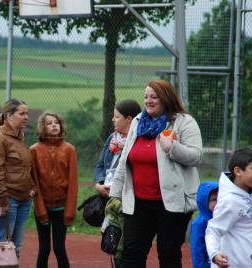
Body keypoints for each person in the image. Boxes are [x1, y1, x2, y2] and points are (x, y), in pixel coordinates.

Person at [109, 80, 203, 268]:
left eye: (154, 97)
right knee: (131, 256)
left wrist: (172, 147)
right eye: (146, 97)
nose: (149, 101)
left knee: (168, 255)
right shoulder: (137, 122)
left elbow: (196, 156)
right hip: (138, 204)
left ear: (166, 98)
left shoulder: (184, 122)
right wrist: (114, 195)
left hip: (171, 204)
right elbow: (124, 161)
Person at [0, 99, 36, 257]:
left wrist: (31, 188)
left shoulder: (19, 138)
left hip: (23, 198)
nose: (26, 117)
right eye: (22, 113)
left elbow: (25, 167)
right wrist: (3, 201)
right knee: (1, 247)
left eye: (27, 113)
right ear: (9, 116)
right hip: (6, 199)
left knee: (15, 247)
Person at [93, 100, 141, 267]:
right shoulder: (112, 139)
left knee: (126, 248)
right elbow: (100, 165)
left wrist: (118, 188)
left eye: (116, 116)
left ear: (129, 119)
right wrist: (99, 184)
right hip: (110, 199)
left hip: (126, 200)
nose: (113, 120)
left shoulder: (138, 141)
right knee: (112, 242)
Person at [30, 112, 78, 268]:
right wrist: (40, 208)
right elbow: (33, 181)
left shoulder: (69, 149)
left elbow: (73, 182)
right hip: (42, 206)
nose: (54, 125)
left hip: (61, 207)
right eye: (49, 123)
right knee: (44, 248)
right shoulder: (34, 150)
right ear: (42, 127)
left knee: (59, 248)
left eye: (56, 122)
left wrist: (70, 210)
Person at [205, 148, 252, 268]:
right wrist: (215, 254)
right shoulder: (230, 201)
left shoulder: (247, 193)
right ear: (238, 171)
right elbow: (213, 229)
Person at [190, 181, 219, 268]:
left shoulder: (222, 218)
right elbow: (197, 249)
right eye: (214, 199)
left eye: (219, 198)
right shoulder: (199, 223)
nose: (217, 202)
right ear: (204, 201)